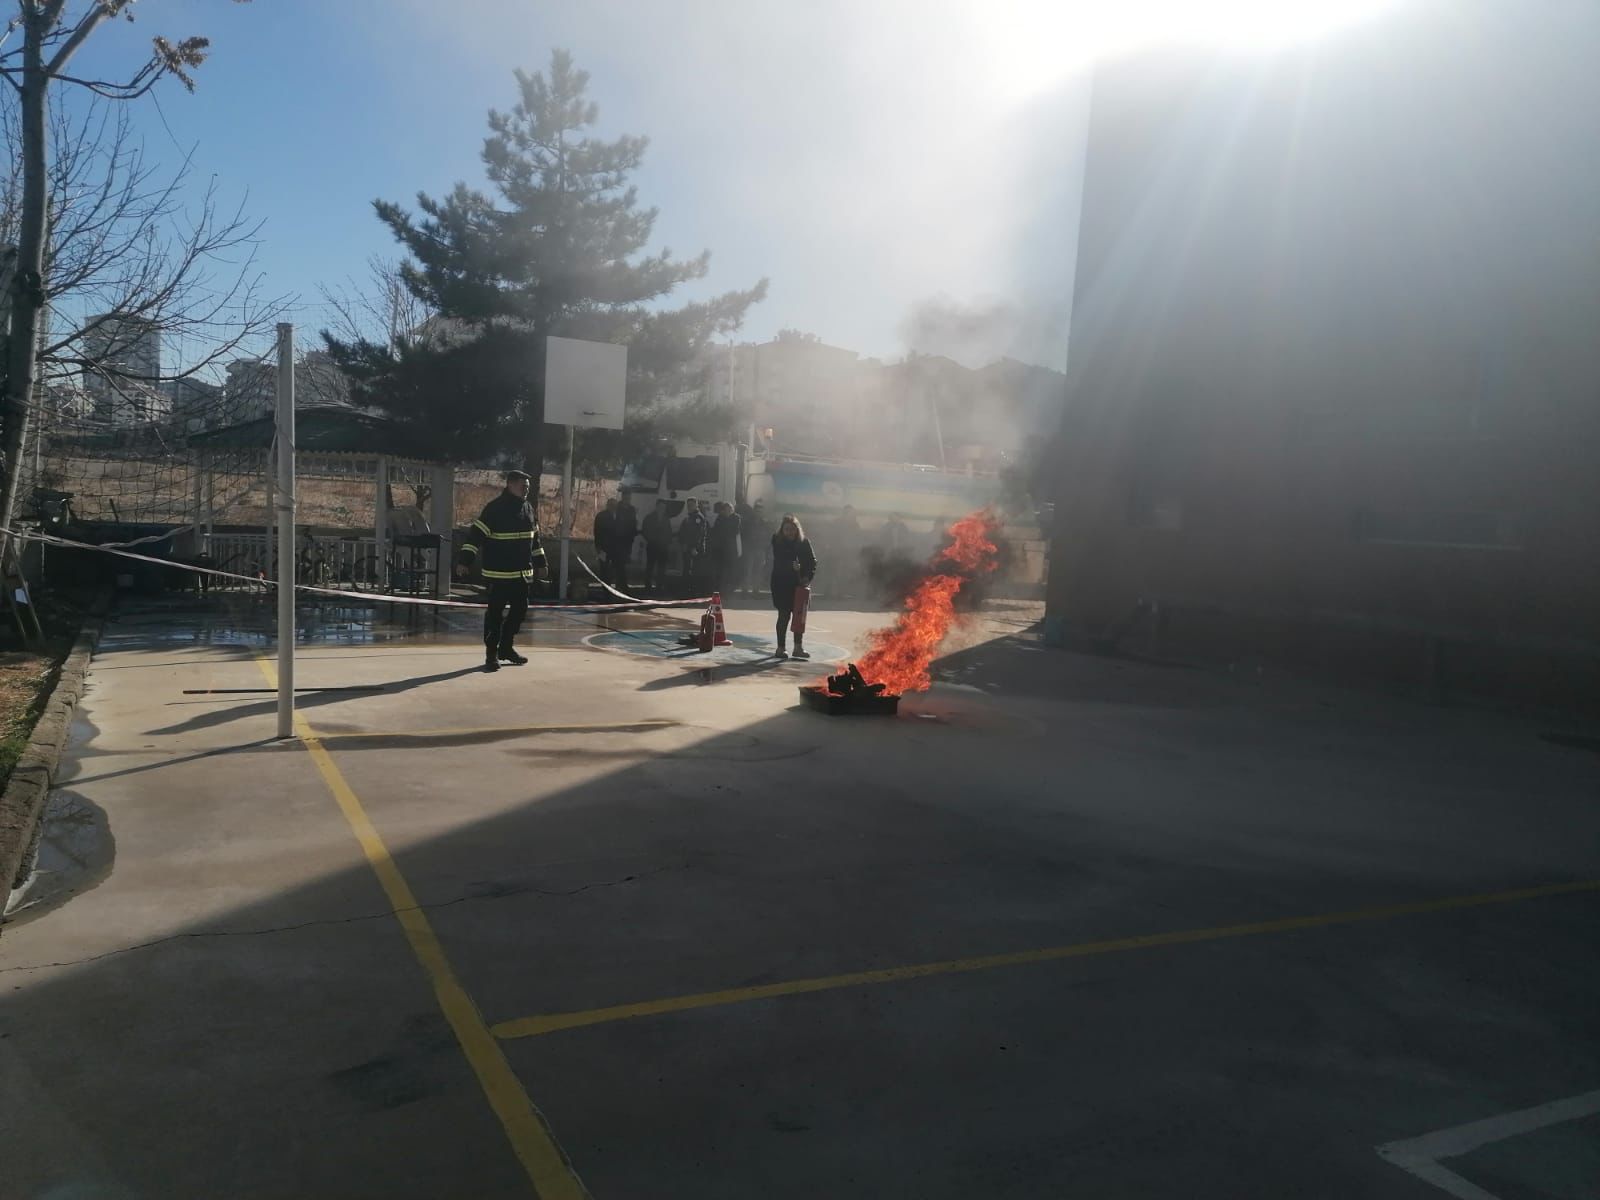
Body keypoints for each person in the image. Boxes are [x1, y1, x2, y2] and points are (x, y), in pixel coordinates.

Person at [455, 469, 548, 672]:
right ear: (510, 485)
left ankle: (506, 648)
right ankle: (491, 654)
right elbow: (475, 537)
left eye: (528, 487)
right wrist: (464, 561)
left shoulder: (528, 509)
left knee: (519, 612)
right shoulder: (495, 509)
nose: (526, 490)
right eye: (523, 486)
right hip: (498, 575)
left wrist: (541, 563)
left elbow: (535, 540)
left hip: (522, 575)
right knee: (494, 616)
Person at [771, 512, 817, 659]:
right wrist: (791, 567)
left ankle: (798, 647)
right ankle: (781, 648)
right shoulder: (777, 541)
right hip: (781, 584)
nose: (790, 532)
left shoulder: (804, 542)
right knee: (784, 615)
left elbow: (812, 562)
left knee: (799, 617)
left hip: (800, 585)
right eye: (786, 529)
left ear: (797, 529)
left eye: (792, 529)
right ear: (782, 530)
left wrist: (807, 576)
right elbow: (779, 559)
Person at [709, 501, 742, 595]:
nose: (727, 511)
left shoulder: (736, 518)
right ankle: (720, 590)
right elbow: (716, 531)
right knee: (721, 571)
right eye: (725, 510)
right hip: (721, 550)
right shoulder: (720, 518)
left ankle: (728, 591)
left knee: (730, 571)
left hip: (731, 550)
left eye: (729, 510)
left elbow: (735, 531)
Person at [677, 497, 708, 593]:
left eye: (691, 505)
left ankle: (694, 591)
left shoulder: (698, 517)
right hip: (687, 548)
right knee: (687, 569)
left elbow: (699, 534)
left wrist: (694, 547)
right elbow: (682, 532)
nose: (689, 507)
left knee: (694, 571)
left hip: (695, 550)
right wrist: (682, 543)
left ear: (696, 505)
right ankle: (686, 589)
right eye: (688, 505)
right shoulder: (688, 517)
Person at [641, 499, 673, 593]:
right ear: (657, 506)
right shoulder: (649, 517)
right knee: (650, 566)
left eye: (663, 507)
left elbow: (669, 532)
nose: (662, 509)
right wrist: (651, 539)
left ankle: (659, 586)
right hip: (652, 546)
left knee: (661, 567)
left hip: (663, 547)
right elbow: (645, 530)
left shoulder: (666, 519)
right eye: (660, 507)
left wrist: (667, 542)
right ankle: (647, 586)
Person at [612, 493, 639, 592]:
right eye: (626, 498)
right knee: (619, 563)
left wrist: (633, 533)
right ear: (623, 498)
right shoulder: (617, 508)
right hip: (618, 540)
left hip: (628, 540)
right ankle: (620, 584)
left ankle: (621, 583)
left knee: (623, 562)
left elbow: (633, 522)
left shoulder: (632, 509)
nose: (628, 500)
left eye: (629, 498)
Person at [742, 499, 770, 595]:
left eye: (760, 511)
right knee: (747, 570)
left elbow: (768, 536)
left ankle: (756, 590)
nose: (759, 512)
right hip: (749, 550)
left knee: (758, 571)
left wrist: (765, 546)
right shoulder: (747, 521)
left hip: (760, 550)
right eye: (757, 510)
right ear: (754, 511)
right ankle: (745, 590)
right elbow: (743, 535)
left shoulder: (764, 523)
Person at [593, 498, 619, 584]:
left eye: (615, 506)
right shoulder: (601, 516)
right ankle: (605, 586)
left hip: (614, 547)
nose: (613, 507)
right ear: (608, 506)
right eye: (612, 505)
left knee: (612, 569)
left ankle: (609, 585)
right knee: (604, 568)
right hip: (604, 547)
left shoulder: (618, 516)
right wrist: (598, 547)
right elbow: (597, 532)